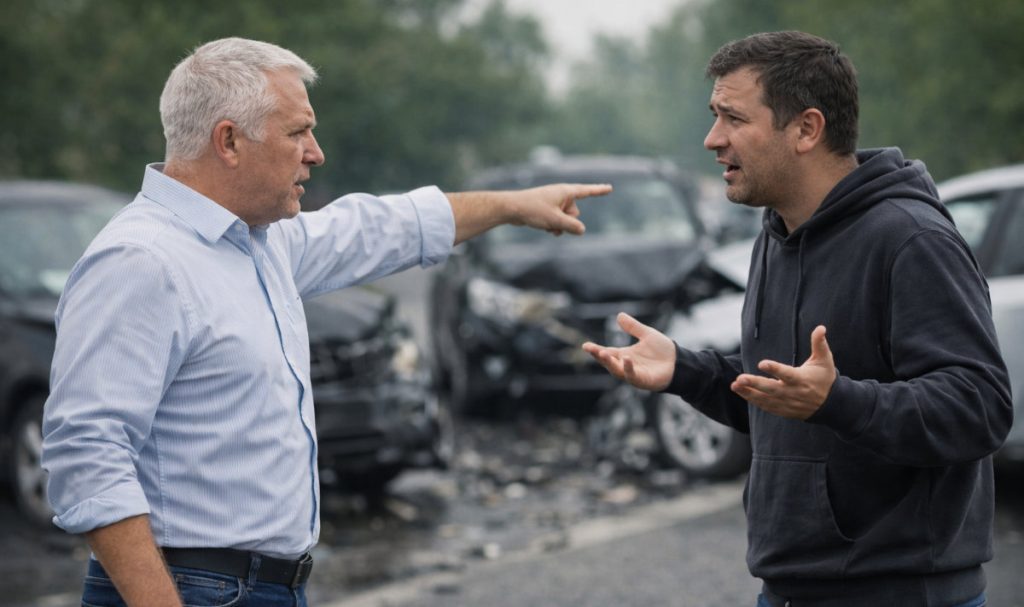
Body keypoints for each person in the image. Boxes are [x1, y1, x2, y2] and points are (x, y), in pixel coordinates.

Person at [40, 37, 610, 607]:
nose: (315, 153)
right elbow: (88, 454)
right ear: (229, 141)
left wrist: (512, 205)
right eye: (297, 132)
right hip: (190, 590)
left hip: (255, 588)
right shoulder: (141, 261)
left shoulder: (259, 242)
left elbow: (381, 227)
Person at [583, 31, 1011, 607]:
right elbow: (786, 397)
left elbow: (979, 408)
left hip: (898, 593)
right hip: (790, 589)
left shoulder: (911, 239)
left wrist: (839, 400)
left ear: (807, 129)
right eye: (715, 116)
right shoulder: (778, 235)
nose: (713, 140)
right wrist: (685, 370)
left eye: (733, 118)